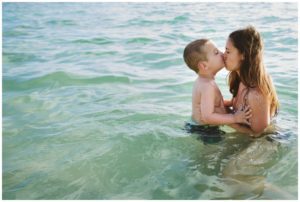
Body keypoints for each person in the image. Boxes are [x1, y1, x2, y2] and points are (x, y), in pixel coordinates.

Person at [183, 39, 252, 135]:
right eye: (216, 53)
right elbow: (207, 117)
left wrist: (231, 103)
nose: (222, 53)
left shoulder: (204, 81)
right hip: (205, 130)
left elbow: (212, 103)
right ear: (204, 65)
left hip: (199, 126)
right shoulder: (207, 86)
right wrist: (235, 118)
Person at [223, 26, 279, 137]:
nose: (223, 55)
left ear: (243, 55)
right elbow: (235, 106)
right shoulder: (240, 79)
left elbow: (259, 134)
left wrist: (225, 120)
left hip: (265, 142)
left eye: (228, 51)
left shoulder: (255, 94)